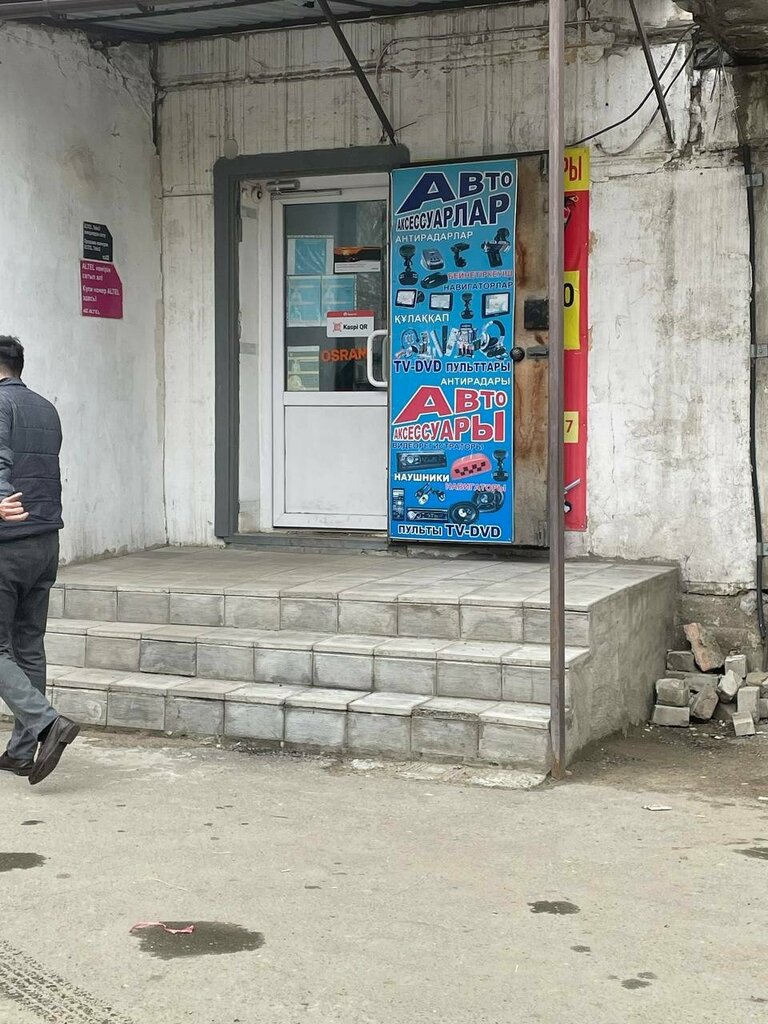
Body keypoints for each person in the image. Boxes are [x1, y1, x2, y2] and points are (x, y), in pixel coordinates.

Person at [0, 336, 79, 785]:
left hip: (7, 541)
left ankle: (48, 725)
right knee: (28, 646)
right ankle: (20, 751)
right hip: (45, 539)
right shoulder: (46, 408)